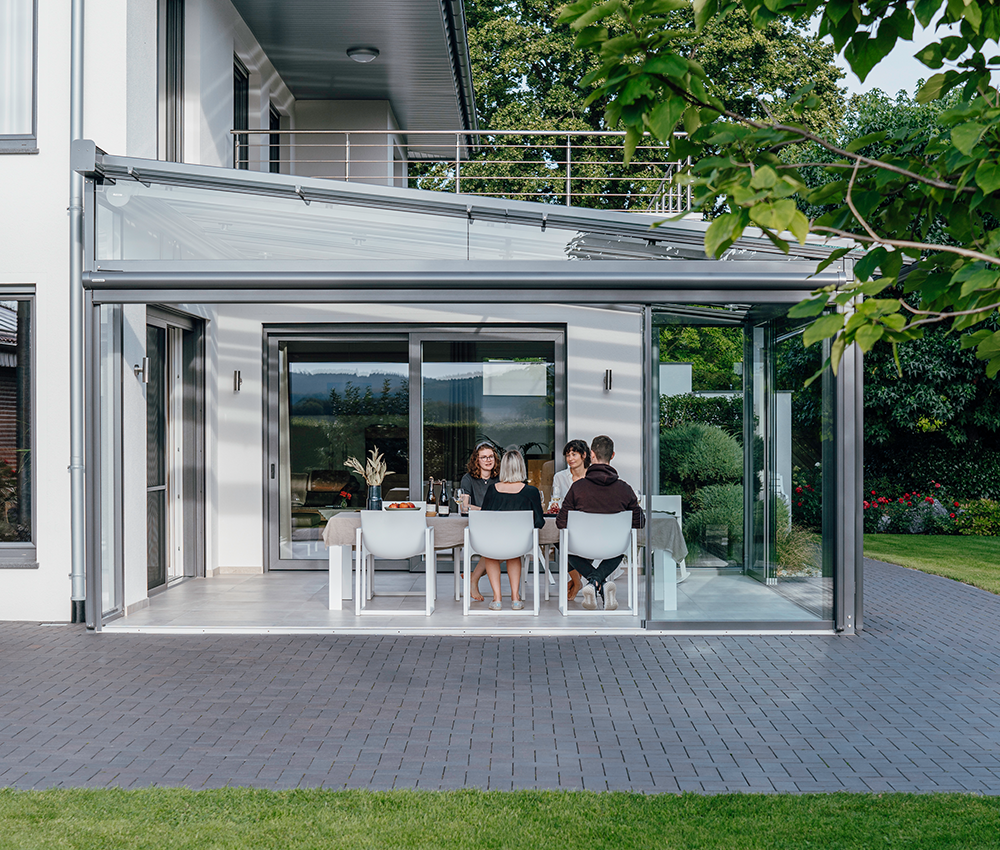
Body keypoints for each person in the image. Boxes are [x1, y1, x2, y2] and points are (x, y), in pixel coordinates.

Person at [556, 435, 644, 611]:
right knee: (621, 550)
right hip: (613, 548)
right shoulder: (625, 489)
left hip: (581, 547)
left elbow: (560, 522)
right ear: (612, 456)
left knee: (566, 550)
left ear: (591, 454)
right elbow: (639, 522)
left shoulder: (578, 488)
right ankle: (600, 583)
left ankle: (594, 581)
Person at [478, 448, 545, 610]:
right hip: (519, 544)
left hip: (494, 542)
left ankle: (497, 599)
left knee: (490, 555)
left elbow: (484, 517)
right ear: (521, 467)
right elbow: (539, 522)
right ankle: (515, 599)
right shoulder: (531, 492)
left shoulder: (492, 490)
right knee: (514, 554)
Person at [547, 439, 591, 601]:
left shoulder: (593, 476)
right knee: (557, 538)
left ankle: (576, 580)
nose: (570, 458)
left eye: (574, 454)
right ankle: (577, 581)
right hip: (567, 523)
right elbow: (555, 501)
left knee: (587, 547)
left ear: (584, 455)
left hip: (589, 522)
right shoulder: (560, 477)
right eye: (567, 455)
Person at [460, 442, 502, 602]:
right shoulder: (468, 479)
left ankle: (473, 577)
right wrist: (486, 510)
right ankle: (474, 578)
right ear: (476, 460)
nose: (488, 460)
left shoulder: (500, 478)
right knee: (495, 547)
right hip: (478, 525)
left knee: (504, 546)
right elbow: (464, 506)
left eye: (491, 456)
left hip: (498, 524)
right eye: (483, 457)